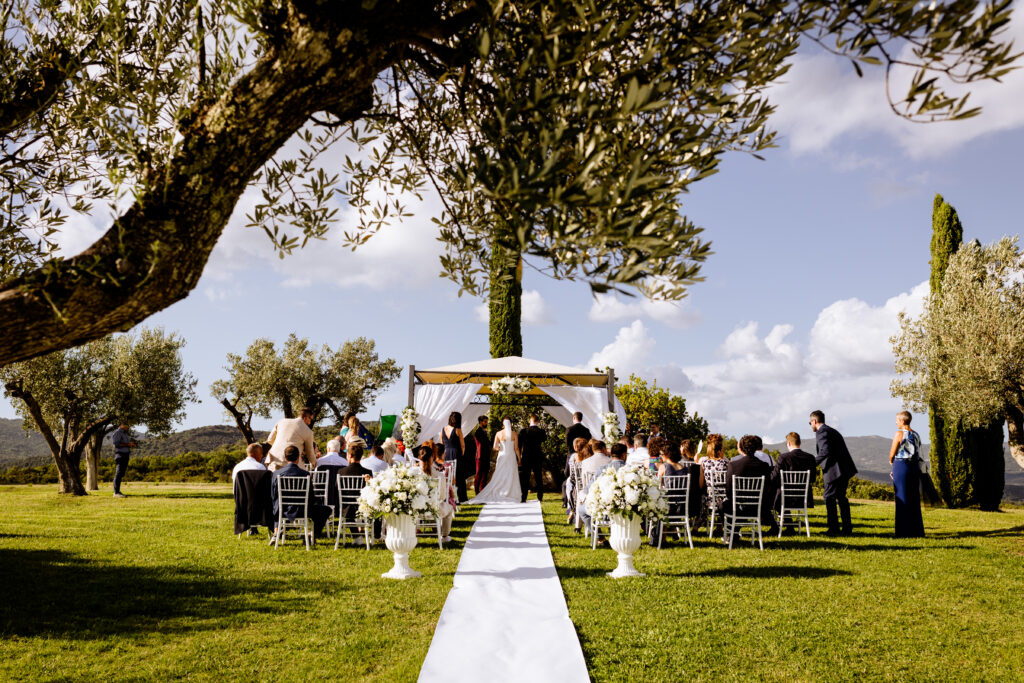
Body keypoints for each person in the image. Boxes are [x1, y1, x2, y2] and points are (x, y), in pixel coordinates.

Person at [810, 410, 858, 536]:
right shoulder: (831, 431)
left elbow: (825, 451)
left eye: (810, 423)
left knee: (829, 497)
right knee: (841, 498)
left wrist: (812, 464)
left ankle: (833, 529)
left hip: (834, 470)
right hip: (844, 469)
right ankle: (847, 528)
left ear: (814, 421)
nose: (810, 426)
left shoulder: (822, 432)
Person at [270, 446, 331, 544]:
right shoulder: (305, 474)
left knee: (275, 504)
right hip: (303, 510)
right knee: (326, 509)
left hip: (283, 510)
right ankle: (312, 534)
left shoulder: (277, 474)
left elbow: (273, 496)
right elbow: (311, 497)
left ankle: (276, 532)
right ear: (298, 457)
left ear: (285, 458)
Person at [723, 434, 777, 538]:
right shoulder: (764, 466)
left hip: (738, 507)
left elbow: (728, 490)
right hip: (759, 507)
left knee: (722, 505)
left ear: (741, 448)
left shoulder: (733, 465)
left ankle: (732, 532)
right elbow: (767, 487)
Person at [470, 417, 522, 504]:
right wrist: (519, 458)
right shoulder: (514, 434)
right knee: (510, 474)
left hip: (502, 456)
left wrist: (501, 448)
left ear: (503, 424)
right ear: (510, 424)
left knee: (500, 474)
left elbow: (495, 447)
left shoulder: (498, 433)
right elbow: (516, 448)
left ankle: (500, 491)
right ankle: (510, 493)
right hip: (511, 456)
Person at [889, 411, 925, 538]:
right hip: (914, 467)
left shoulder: (899, 434)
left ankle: (903, 531)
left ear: (903, 421)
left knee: (902, 497)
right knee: (913, 498)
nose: (896, 422)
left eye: (897, 420)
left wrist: (892, 464)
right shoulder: (916, 435)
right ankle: (916, 531)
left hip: (902, 466)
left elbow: (892, 454)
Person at [771, 432, 816, 522]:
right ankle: (788, 525)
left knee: (775, 492)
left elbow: (774, 477)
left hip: (785, 497)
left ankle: (786, 525)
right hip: (804, 497)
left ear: (788, 443)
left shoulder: (783, 457)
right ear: (799, 443)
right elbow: (812, 478)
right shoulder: (810, 457)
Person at [418, 448, 454, 542]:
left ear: (419, 458)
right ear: (432, 457)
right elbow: (442, 497)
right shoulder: (439, 475)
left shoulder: (414, 474)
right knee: (449, 509)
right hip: (435, 509)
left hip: (417, 509)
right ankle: (444, 536)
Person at [564, 412, 592, 505]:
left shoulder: (569, 429)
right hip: (584, 457)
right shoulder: (586, 430)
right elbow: (589, 444)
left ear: (574, 418)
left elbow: (567, 444)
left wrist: (573, 453)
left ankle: (567, 500)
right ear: (581, 419)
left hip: (572, 455)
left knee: (568, 476)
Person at [518, 413, 547, 502]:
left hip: (526, 457)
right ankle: (540, 497)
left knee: (525, 478)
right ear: (537, 421)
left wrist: (518, 458)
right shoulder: (541, 432)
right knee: (538, 477)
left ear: (529, 421)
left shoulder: (524, 431)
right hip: (537, 457)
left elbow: (519, 445)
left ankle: (524, 497)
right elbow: (544, 439)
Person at [111, 422, 136, 498]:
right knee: (118, 473)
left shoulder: (124, 434)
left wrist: (129, 445)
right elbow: (116, 444)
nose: (128, 427)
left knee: (121, 473)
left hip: (125, 455)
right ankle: (116, 493)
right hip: (120, 455)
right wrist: (128, 444)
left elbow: (123, 444)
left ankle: (118, 491)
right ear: (121, 425)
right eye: (127, 425)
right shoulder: (118, 433)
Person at [471, 415, 492, 494]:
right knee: (479, 474)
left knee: (485, 474)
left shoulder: (484, 431)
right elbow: (483, 443)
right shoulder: (478, 432)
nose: (486, 423)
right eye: (485, 421)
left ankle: (482, 491)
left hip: (486, 456)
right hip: (480, 456)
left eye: (487, 421)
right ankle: (477, 491)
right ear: (481, 422)